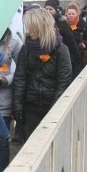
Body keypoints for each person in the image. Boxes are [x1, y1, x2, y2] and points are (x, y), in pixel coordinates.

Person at [12, 8, 72, 140]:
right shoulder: (26, 48)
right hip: (30, 107)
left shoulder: (61, 50)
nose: (27, 31)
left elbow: (64, 81)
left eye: (31, 27)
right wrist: (17, 106)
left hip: (50, 107)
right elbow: (20, 77)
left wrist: (55, 111)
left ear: (41, 27)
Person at [0, 28, 19, 172]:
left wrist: (7, 80)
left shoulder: (14, 43)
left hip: (4, 98)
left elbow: (21, 68)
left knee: (2, 141)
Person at [44, 0, 80, 83]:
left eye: (50, 9)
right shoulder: (42, 21)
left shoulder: (62, 23)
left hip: (60, 54)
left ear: (55, 10)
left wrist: (76, 55)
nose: (48, 11)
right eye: (46, 9)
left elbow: (70, 40)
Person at [64, 2, 87, 79]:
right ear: (66, 14)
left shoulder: (82, 25)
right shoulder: (63, 25)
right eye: (69, 14)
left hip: (79, 55)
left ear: (77, 13)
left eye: (73, 14)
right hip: (66, 54)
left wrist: (85, 44)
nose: (71, 16)